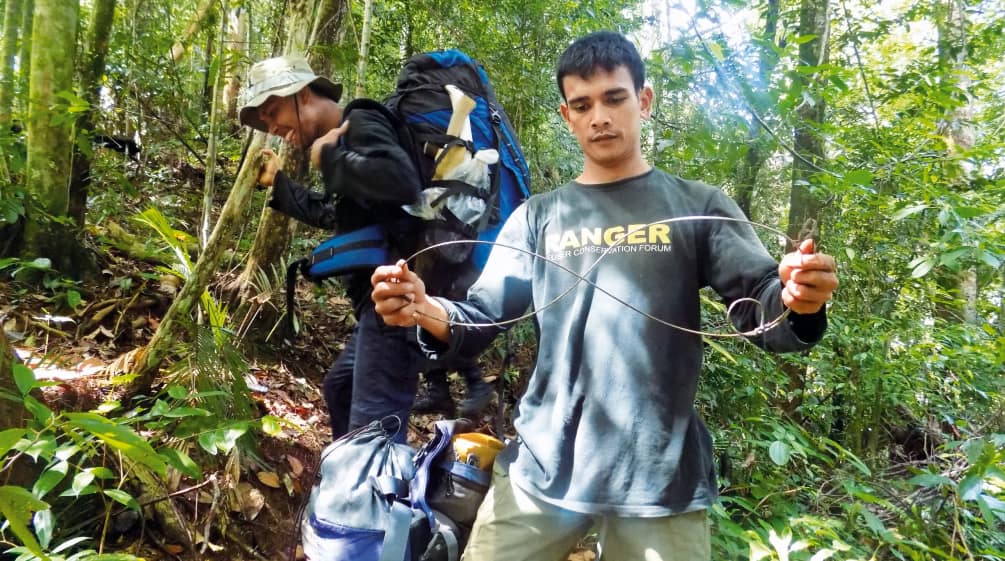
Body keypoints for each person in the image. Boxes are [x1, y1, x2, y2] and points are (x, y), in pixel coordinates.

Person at [371, 31, 839, 560]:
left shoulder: (697, 205)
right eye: (583, 104)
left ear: (643, 99)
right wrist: (425, 308)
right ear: (567, 116)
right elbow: (482, 313)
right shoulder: (539, 216)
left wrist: (800, 299)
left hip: (658, 477)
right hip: (544, 467)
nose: (600, 117)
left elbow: (761, 301)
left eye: (615, 98)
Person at [237, 54, 489, 441]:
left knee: (374, 437)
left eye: (273, 112)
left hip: (397, 303)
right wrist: (280, 185)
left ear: (303, 95)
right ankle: (349, 484)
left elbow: (400, 181)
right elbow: (337, 215)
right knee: (340, 389)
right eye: (266, 122)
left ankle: (368, 495)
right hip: (380, 309)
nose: (273, 128)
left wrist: (329, 157)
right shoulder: (346, 141)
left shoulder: (360, 119)